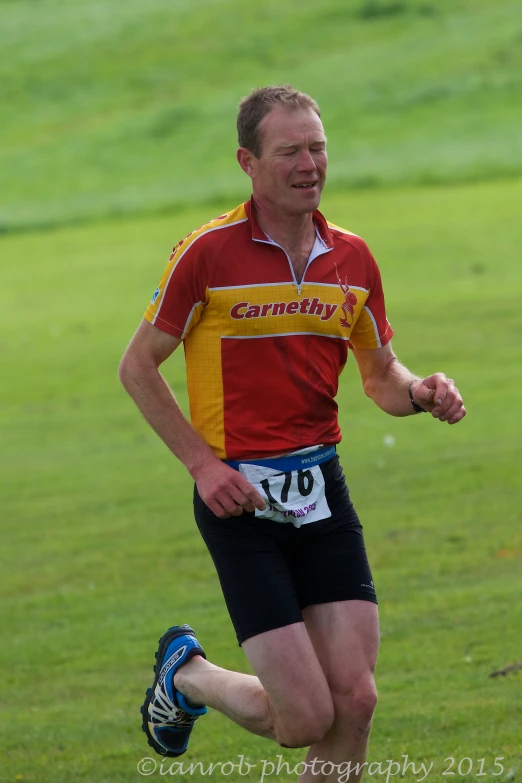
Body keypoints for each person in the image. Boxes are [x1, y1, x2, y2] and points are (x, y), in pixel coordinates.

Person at [119, 85, 466, 782]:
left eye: (318, 147)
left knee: (356, 700)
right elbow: (137, 369)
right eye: (291, 151)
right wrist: (202, 466)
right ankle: (187, 675)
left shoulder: (353, 258)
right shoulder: (208, 254)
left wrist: (421, 393)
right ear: (249, 161)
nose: (310, 164)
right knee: (305, 717)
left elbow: (378, 375)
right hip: (238, 498)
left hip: (321, 492)